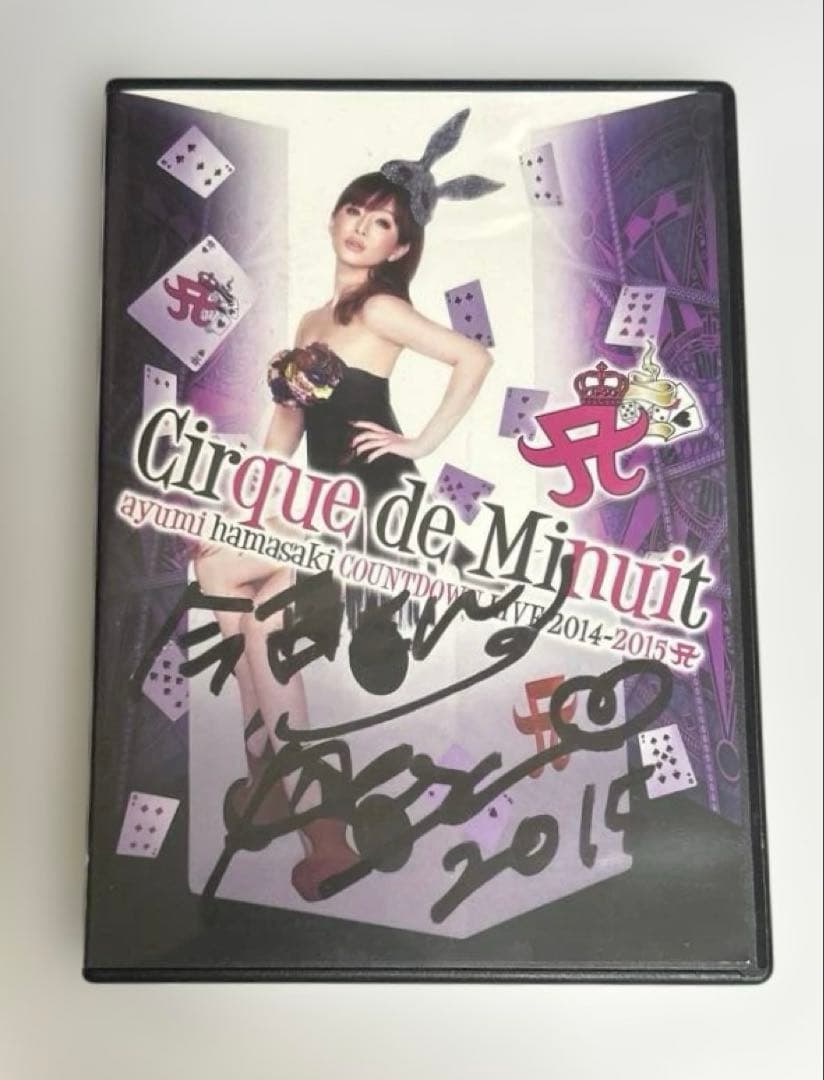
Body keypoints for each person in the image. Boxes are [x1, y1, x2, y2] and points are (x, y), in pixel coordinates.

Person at [194, 109, 502, 901]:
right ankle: (316, 827)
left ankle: (265, 770)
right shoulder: (311, 322)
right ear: (335, 218)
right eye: (356, 211)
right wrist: (249, 507)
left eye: (383, 223)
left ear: (400, 248)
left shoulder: (378, 309)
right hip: (315, 505)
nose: (363, 227)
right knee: (255, 618)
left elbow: (473, 356)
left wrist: (420, 441)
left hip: (368, 504)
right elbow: (285, 430)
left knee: (224, 574)